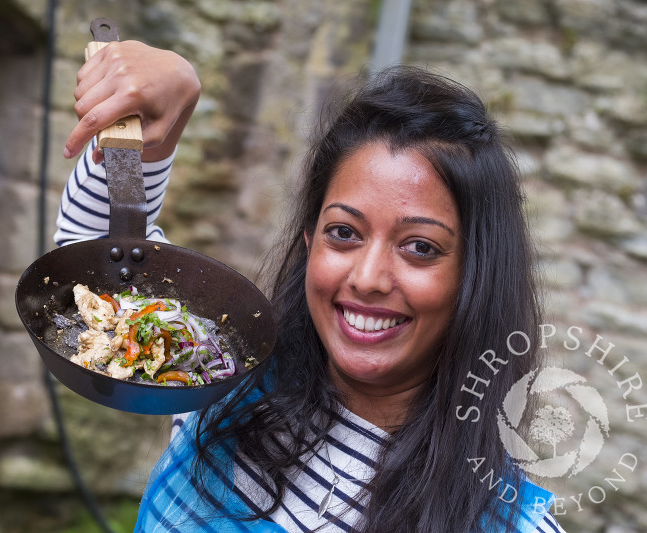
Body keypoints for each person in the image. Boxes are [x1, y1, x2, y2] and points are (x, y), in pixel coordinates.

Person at [57, 40, 566, 533]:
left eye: (420, 247)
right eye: (344, 233)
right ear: (309, 243)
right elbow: (97, 276)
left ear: (475, 277)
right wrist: (165, 102)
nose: (367, 279)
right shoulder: (221, 379)